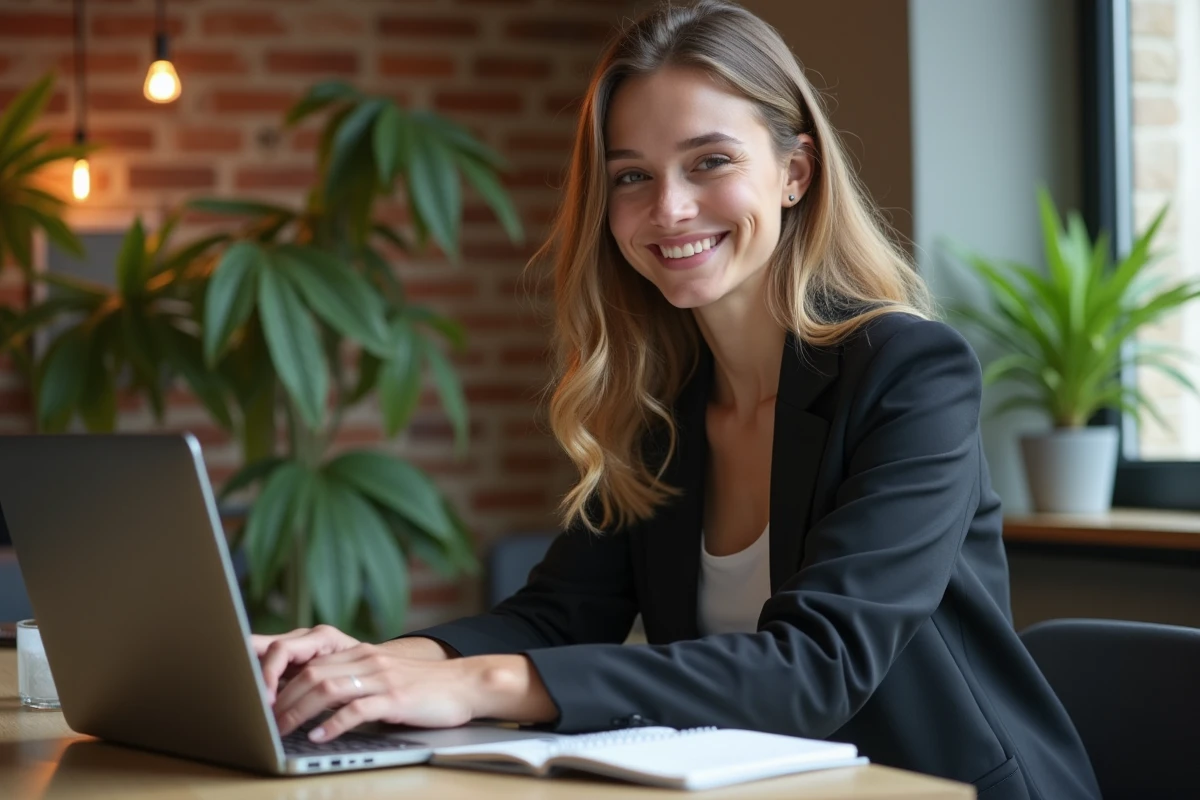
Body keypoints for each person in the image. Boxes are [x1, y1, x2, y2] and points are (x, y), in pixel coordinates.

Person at [252, 2, 1100, 797]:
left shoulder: (910, 371)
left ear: (795, 172)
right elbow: (559, 614)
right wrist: (367, 663)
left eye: (711, 162)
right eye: (631, 177)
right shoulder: (664, 400)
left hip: (938, 788)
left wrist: (472, 682)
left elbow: (819, 666)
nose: (670, 208)